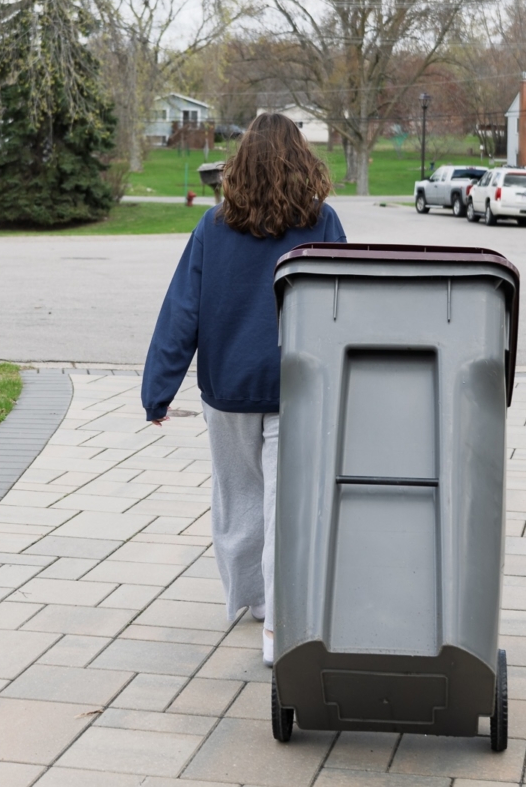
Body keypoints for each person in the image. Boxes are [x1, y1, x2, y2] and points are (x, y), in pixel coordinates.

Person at [141, 113, 346, 666]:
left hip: (227, 388)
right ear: (303, 159)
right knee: (287, 506)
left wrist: (157, 390)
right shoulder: (322, 222)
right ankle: (280, 629)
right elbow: (345, 305)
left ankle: (251, 598)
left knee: (237, 499)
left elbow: (181, 311)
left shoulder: (213, 227)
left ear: (239, 163)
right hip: (297, 386)